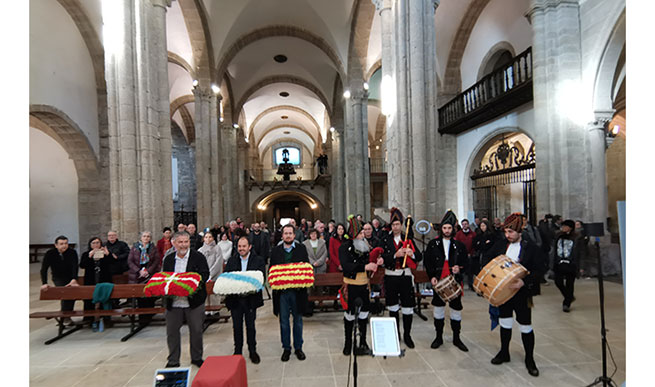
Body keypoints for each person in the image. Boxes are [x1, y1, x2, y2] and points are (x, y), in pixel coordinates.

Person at [483, 213, 544, 377]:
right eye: (506, 232)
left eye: (510, 232)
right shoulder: (501, 244)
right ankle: (504, 353)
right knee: (505, 322)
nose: (507, 235)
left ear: (519, 231)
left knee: (525, 325)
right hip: (504, 293)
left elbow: (540, 270)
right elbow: (487, 258)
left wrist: (525, 282)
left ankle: (530, 359)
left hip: (522, 293)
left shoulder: (531, 247)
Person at [162, 231, 210, 368]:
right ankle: (173, 359)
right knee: (172, 332)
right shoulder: (169, 259)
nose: (183, 245)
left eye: (186, 242)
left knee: (196, 331)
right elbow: (165, 277)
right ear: (174, 243)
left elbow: (204, 274)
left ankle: (196, 357)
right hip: (174, 301)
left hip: (194, 301)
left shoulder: (198, 257)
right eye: (180, 242)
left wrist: (190, 285)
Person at [424, 210, 469, 352]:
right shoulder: (433, 244)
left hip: (453, 281)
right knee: (438, 310)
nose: (447, 230)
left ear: (453, 229)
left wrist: (459, 269)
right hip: (439, 280)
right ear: (441, 229)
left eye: (449, 228)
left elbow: (466, 264)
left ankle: (457, 338)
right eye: (445, 228)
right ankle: (438, 337)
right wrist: (432, 276)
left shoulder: (459, 245)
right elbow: (428, 262)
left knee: (456, 310)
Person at [339, 217, 382, 355]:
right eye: (361, 233)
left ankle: (363, 341)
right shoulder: (344, 247)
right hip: (351, 285)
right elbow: (347, 266)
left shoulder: (364, 246)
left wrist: (376, 262)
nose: (363, 235)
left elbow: (369, 260)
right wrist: (365, 266)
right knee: (350, 315)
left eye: (363, 232)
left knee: (364, 314)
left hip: (364, 285)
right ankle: (348, 343)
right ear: (354, 233)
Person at [381, 208, 422, 348]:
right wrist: (395, 255)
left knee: (407, 307)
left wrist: (412, 254)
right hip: (391, 276)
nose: (395, 227)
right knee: (393, 306)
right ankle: (395, 333)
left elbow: (419, 257)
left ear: (401, 225)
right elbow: (381, 257)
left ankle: (407, 335)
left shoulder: (408, 239)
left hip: (405, 276)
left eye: (398, 224)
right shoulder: (385, 239)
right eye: (393, 225)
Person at [270, 224, 310, 361]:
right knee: (284, 322)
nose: (288, 235)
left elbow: (306, 267)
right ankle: (286, 348)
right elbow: (271, 271)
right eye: (285, 233)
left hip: (297, 292)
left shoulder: (301, 249)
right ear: (282, 236)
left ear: (294, 235)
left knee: (298, 320)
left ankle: (298, 347)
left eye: (290, 233)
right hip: (282, 293)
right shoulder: (275, 251)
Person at [224, 237, 266, 364]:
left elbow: (260, 278)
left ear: (250, 247)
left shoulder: (258, 260)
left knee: (251, 326)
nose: (241, 249)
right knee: (236, 326)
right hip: (235, 299)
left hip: (250, 299)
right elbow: (227, 277)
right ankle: (237, 351)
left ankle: (252, 350)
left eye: (244, 246)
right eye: (239, 246)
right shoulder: (232, 261)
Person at [40, 235, 79, 323]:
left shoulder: (72, 252)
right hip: (58, 277)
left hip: (70, 277)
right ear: (56, 245)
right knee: (65, 293)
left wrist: (74, 278)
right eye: (61, 244)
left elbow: (75, 266)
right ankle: (65, 316)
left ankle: (67, 315)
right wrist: (44, 282)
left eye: (66, 243)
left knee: (72, 295)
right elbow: (44, 269)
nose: (64, 246)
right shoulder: (50, 253)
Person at [127, 231, 161, 326]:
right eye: (144, 236)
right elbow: (130, 261)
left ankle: (149, 316)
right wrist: (139, 271)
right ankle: (142, 318)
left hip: (149, 274)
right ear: (141, 238)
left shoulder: (153, 248)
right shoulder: (134, 248)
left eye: (148, 236)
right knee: (140, 296)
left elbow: (156, 261)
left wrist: (148, 271)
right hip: (137, 276)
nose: (146, 238)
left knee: (149, 296)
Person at [80, 236, 114, 327]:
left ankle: (106, 318)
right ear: (90, 245)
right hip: (91, 278)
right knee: (89, 299)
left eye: (97, 243)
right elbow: (82, 265)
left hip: (103, 278)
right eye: (93, 243)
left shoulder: (105, 253)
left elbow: (112, 263)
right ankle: (88, 319)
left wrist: (108, 254)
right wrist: (89, 256)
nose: (96, 245)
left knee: (105, 298)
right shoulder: (86, 254)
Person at [554, 219, 581, 312]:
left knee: (569, 283)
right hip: (559, 262)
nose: (563, 228)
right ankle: (569, 296)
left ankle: (567, 303)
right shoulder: (558, 235)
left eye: (565, 226)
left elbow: (580, 252)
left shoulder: (577, 237)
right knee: (558, 281)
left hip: (571, 263)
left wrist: (580, 266)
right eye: (563, 226)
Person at [454, 219, 476, 291]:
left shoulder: (473, 234)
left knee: (470, 271)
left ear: (468, 224)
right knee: (461, 271)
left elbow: (474, 244)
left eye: (466, 224)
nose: (464, 225)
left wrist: (471, 253)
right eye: (463, 224)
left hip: (470, 254)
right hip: (461, 255)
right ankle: (460, 285)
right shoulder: (458, 234)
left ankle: (471, 284)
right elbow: (457, 244)